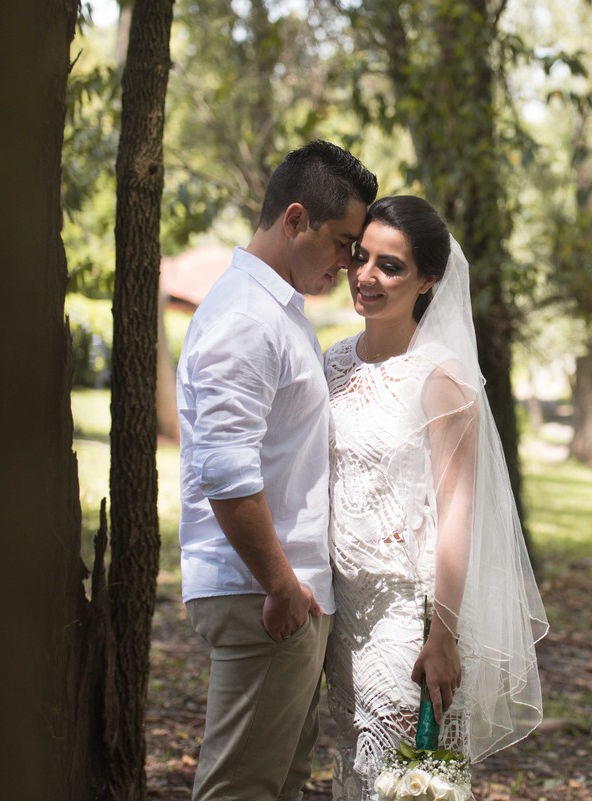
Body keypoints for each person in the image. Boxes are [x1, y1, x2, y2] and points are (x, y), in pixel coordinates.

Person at [324, 196, 549, 800]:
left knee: (400, 783)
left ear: (427, 280)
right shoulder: (333, 363)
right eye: (361, 257)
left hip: (409, 619)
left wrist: (443, 635)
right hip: (340, 616)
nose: (367, 276)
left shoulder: (442, 378)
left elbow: (458, 514)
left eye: (390, 266)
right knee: (355, 779)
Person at [177, 140, 378, 801]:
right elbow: (226, 471)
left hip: (285, 591)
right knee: (241, 787)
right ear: (295, 220)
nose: (351, 262)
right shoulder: (243, 318)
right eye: (344, 242)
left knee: (281, 782)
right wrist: (281, 584)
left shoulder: (279, 312)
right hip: (262, 592)